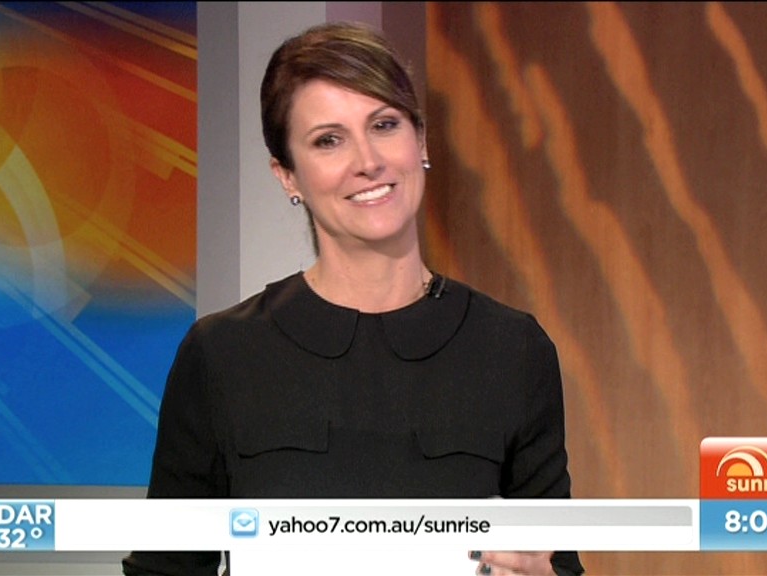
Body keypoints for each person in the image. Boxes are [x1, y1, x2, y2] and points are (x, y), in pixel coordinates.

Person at [122, 21, 584, 576]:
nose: (368, 159)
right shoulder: (222, 354)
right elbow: (165, 569)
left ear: (421, 141)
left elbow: (557, 564)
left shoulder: (513, 349)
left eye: (384, 125)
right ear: (288, 176)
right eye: (329, 140)